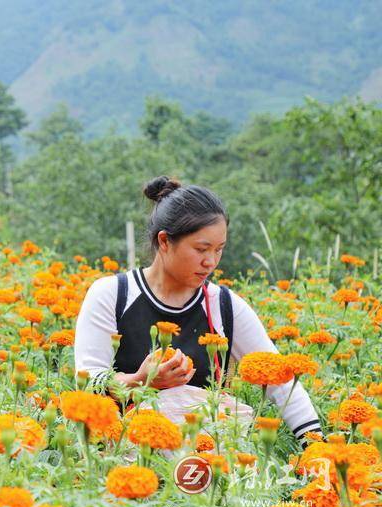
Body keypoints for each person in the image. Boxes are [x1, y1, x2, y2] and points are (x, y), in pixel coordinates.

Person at [74, 176, 323, 447]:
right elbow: (87, 382)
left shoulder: (224, 305)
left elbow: (282, 381)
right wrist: (141, 381)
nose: (210, 262)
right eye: (201, 249)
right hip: (120, 454)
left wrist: (316, 448)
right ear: (165, 241)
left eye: (219, 250)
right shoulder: (113, 294)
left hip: (205, 461)